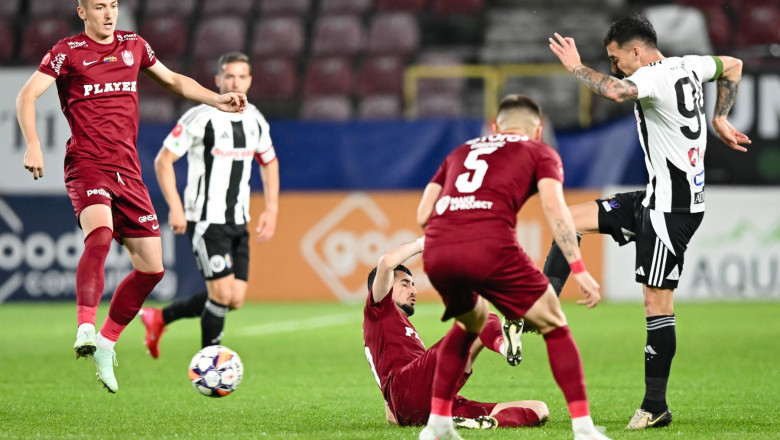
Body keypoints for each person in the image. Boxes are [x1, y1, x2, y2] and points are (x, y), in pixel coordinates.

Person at [15, 0, 247, 394]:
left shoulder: (133, 44)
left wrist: (216, 99)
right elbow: (26, 96)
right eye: (99, 7)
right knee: (101, 234)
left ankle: (106, 343)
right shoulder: (67, 52)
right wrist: (33, 144)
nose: (109, 13)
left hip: (128, 171)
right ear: (82, 12)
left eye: (113, 5)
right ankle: (85, 326)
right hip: (87, 163)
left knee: (152, 269)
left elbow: (173, 81)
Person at [547, 14, 749, 429]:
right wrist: (720, 117)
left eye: (615, 58)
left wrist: (575, 68)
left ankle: (655, 406)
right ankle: (542, 306)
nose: (614, 67)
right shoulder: (689, 64)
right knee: (568, 219)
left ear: (636, 51)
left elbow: (616, 91)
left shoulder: (653, 76)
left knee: (656, 303)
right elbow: (733, 65)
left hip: (670, 210)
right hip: (656, 198)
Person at [415, 95, 609, 440]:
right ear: (538, 128)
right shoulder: (540, 151)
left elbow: (422, 215)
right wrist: (578, 268)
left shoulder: (460, 152)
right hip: (490, 243)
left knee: (470, 323)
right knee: (554, 324)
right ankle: (584, 429)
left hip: (438, 250)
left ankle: (437, 424)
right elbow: (555, 209)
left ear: (494, 126)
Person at [140, 52, 279, 358]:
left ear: (250, 80)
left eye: (241, 76)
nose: (236, 83)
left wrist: (272, 208)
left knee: (235, 298)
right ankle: (210, 366)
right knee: (222, 293)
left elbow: (269, 161)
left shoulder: (255, 119)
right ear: (218, 80)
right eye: (229, 76)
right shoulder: (201, 117)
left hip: (238, 219)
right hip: (205, 219)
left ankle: (160, 317)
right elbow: (163, 160)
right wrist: (175, 206)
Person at [363, 238, 549, 430]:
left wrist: (397, 409)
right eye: (405, 284)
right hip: (411, 388)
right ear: (385, 287)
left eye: (413, 284)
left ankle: (486, 423)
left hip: (423, 405)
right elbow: (386, 261)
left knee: (539, 409)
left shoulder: (387, 328)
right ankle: (505, 346)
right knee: (482, 316)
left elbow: (392, 413)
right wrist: (425, 242)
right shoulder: (378, 309)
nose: (414, 290)